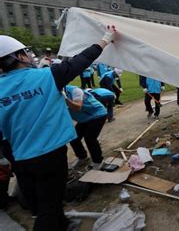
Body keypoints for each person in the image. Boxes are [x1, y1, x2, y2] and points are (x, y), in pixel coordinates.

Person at [0, 27, 117, 230]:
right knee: (49, 209)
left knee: (42, 202)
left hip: (19, 158)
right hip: (49, 155)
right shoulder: (46, 77)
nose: (30, 56)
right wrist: (106, 39)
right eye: (26, 52)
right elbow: (82, 60)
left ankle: (62, 223)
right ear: (18, 56)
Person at [64, 85, 107, 170]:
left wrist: (65, 98)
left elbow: (77, 107)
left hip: (97, 115)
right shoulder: (53, 96)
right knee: (74, 138)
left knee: (90, 138)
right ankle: (82, 157)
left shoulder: (75, 91)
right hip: (83, 119)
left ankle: (98, 161)